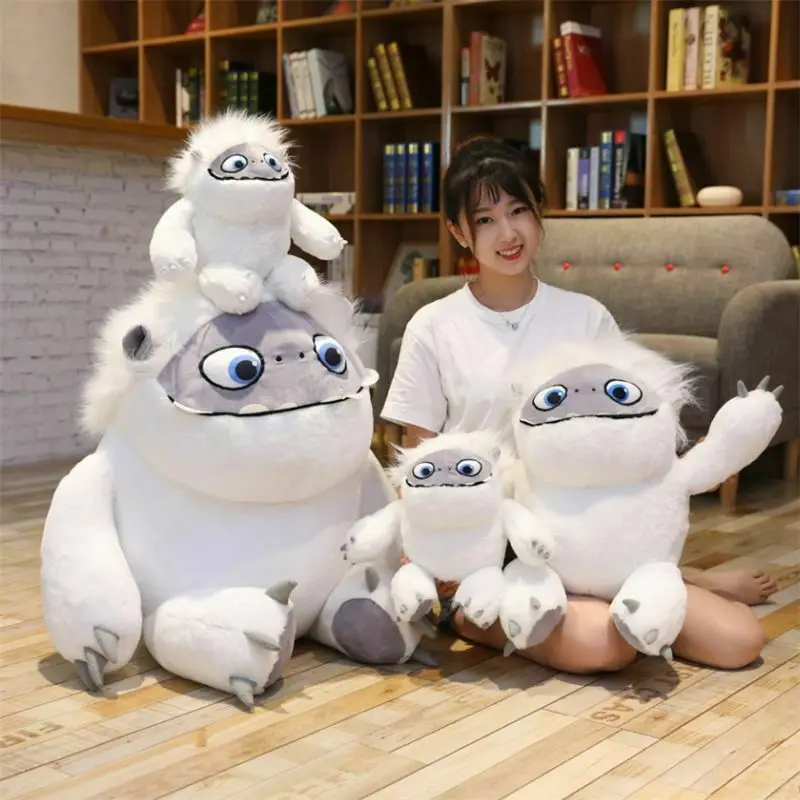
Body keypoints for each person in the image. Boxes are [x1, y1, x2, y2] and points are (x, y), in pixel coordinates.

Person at [380, 135, 774, 673]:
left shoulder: (586, 316)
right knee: (603, 645)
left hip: (582, 530)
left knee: (739, 640)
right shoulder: (433, 326)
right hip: (484, 544)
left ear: (540, 209)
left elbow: (623, 435)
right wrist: (424, 559)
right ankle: (474, 613)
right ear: (458, 232)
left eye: (518, 210)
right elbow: (417, 460)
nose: (508, 233)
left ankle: (663, 581)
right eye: (486, 219)